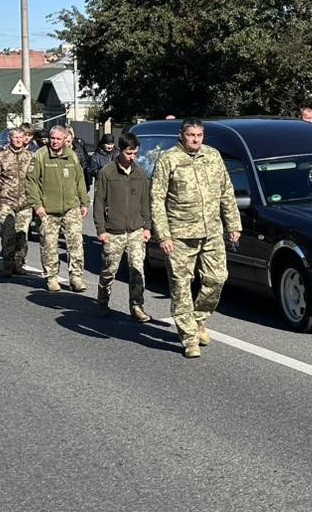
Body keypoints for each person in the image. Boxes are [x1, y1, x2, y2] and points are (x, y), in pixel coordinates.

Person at [150, 118, 241, 358]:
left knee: (218, 277)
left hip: (211, 231)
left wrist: (233, 224)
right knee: (181, 285)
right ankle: (189, 338)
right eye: (191, 135)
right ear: (182, 135)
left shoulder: (212, 156)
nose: (195, 140)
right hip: (180, 235)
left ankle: (199, 318)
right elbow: (157, 200)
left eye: (199, 135)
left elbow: (226, 192)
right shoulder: (168, 159)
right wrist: (163, 235)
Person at [94, 132, 152, 322]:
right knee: (109, 271)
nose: (132, 157)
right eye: (129, 153)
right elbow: (99, 202)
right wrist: (101, 229)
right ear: (120, 150)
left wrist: (147, 227)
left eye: (135, 153)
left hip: (136, 230)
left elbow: (145, 202)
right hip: (113, 231)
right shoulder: (107, 173)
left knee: (137, 270)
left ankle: (137, 306)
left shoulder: (141, 174)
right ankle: (102, 301)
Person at [26, 124, 89, 292]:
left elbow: (79, 180)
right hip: (47, 210)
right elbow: (31, 182)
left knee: (75, 244)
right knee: (49, 245)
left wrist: (84, 202)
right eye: (52, 138)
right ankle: (51, 277)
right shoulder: (40, 156)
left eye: (58, 139)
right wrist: (37, 205)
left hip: (71, 208)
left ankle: (76, 277)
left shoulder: (71, 156)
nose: (54, 142)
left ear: (64, 139)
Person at [0, 123, 35, 275]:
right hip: (6, 202)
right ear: (10, 138)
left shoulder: (30, 157)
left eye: (21, 137)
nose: (19, 140)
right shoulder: (1, 156)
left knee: (22, 236)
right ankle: (7, 264)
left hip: (25, 204)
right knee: (8, 234)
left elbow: (36, 180)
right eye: (16, 137)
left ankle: (19, 263)